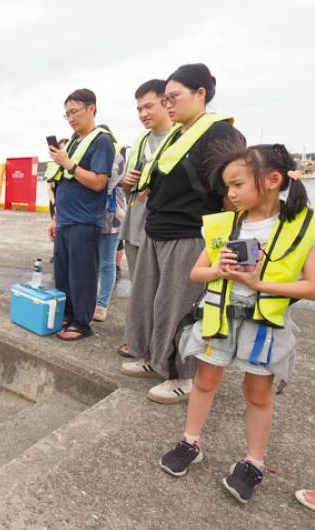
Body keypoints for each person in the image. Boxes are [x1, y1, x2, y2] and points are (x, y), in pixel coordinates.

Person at [158, 143, 315, 504]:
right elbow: (196, 271)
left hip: (265, 324)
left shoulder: (307, 226)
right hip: (219, 317)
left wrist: (259, 283)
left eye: (236, 185)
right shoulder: (223, 223)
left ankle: (254, 463)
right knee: (205, 379)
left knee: (258, 393)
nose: (230, 194)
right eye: (227, 187)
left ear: (272, 180)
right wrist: (219, 270)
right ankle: (191, 441)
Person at [120, 64, 246, 403]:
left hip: (190, 233)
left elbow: (232, 188)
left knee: (178, 306)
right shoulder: (176, 134)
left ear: (200, 93)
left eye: (173, 98)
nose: (168, 105)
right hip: (157, 229)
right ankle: (152, 357)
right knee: (147, 300)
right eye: (166, 99)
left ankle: (182, 376)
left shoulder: (220, 134)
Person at [48, 88, 116, 340]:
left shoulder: (101, 141)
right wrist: (56, 218)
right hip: (66, 219)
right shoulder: (74, 141)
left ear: (92, 109)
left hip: (84, 220)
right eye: (66, 114)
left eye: (74, 112)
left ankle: (82, 322)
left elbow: (99, 182)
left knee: (82, 274)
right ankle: (67, 314)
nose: (71, 118)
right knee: (63, 273)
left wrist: (69, 164)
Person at [116, 79, 174, 356]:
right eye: (139, 109)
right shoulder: (139, 140)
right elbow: (128, 188)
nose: (143, 114)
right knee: (140, 288)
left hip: (164, 229)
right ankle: (138, 339)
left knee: (164, 290)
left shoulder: (181, 137)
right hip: (135, 225)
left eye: (148, 106)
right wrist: (126, 182)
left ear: (167, 102)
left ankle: (160, 344)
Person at [94, 130, 126, 322]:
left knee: (107, 263)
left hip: (111, 220)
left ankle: (101, 304)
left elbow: (103, 184)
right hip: (90, 218)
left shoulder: (116, 155)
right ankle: (90, 299)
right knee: (91, 263)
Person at [45, 138, 69, 220]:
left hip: (67, 205)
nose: (62, 152)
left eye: (65, 149)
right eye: (60, 149)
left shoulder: (71, 166)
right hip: (55, 203)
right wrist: (55, 204)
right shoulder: (52, 166)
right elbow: (49, 188)